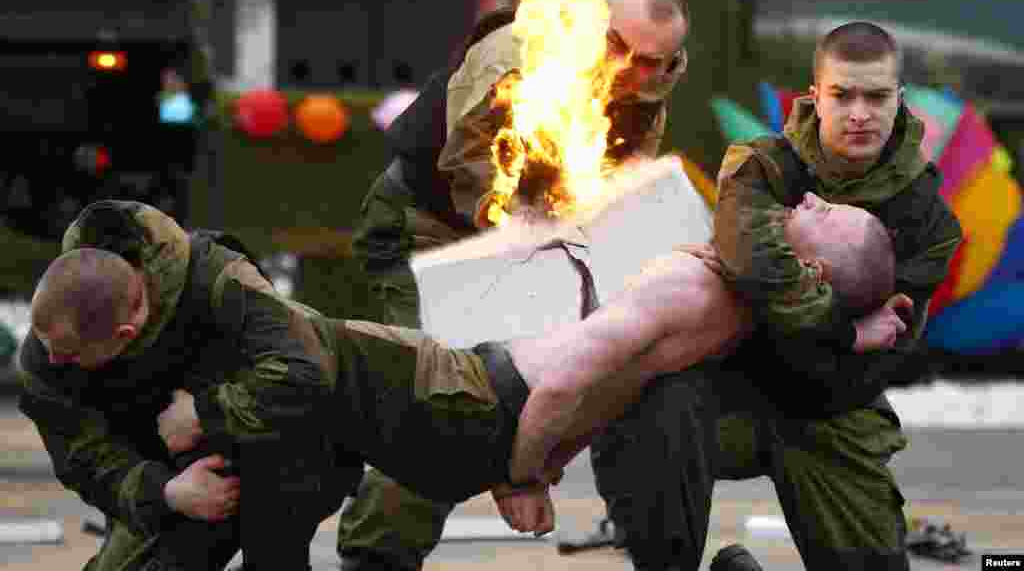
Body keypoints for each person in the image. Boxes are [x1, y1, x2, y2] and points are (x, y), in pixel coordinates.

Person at [25, 191, 899, 571]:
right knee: (320, 404)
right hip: (480, 406)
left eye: (823, 217)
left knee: (321, 367)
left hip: (477, 405)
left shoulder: (702, 286)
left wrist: (518, 472)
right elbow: (615, 380)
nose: (804, 203)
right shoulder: (741, 298)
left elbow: (576, 383)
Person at [338, 0, 689, 571]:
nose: (632, 70)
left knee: (544, 383)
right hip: (427, 230)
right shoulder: (517, 54)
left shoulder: (651, 86)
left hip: (530, 244)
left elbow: (619, 189)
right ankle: (375, 559)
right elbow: (470, 167)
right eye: (618, 48)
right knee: (441, 399)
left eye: (652, 61)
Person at [587, 21, 963, 571]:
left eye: (876, 96)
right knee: (647, 402)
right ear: (816, 96)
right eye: (843, 94)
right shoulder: (759, 166)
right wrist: (843, 328)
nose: (860, 112)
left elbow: (863, 367)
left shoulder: (928, 221)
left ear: (899, 99)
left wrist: (771, 309)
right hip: (725, 394)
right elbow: (755, 264)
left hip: (833, 413)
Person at [19, 201, 355, 571]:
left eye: (69, 355)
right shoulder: (55, 337)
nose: (54, 361)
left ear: (123, 335)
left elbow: (309, 373)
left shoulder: (221, 281)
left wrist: (202, 414)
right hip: (169, 479)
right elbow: (82, 457)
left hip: (274, 458)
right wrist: (166, 493)